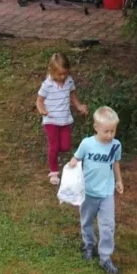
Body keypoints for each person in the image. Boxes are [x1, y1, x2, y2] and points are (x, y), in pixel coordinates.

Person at [65, 106, 123, 274]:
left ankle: (105, 257)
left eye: (113, 131)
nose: (110, 135)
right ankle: (88, 244)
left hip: (106, 193)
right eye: (106, 131)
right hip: (88, 192)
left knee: (108, 226)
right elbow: (76, 157)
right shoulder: (87, 144)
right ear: (96, 127)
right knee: (87, 220)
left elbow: (116, 163)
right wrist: (73, 162)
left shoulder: (116, 145)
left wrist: (119, 180)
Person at [35, 52, 88, 184]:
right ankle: (53, 172)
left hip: (65, 119)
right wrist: (41, 110)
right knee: (54, 146)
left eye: (65, 73)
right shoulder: (47, 84)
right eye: (59, 74)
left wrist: (79, 106)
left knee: (65, 146)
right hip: (51, 119)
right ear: (51, 71)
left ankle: (54, 155)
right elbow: (39, 100)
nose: (63, 76)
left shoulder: (69, 81)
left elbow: (73, 96)